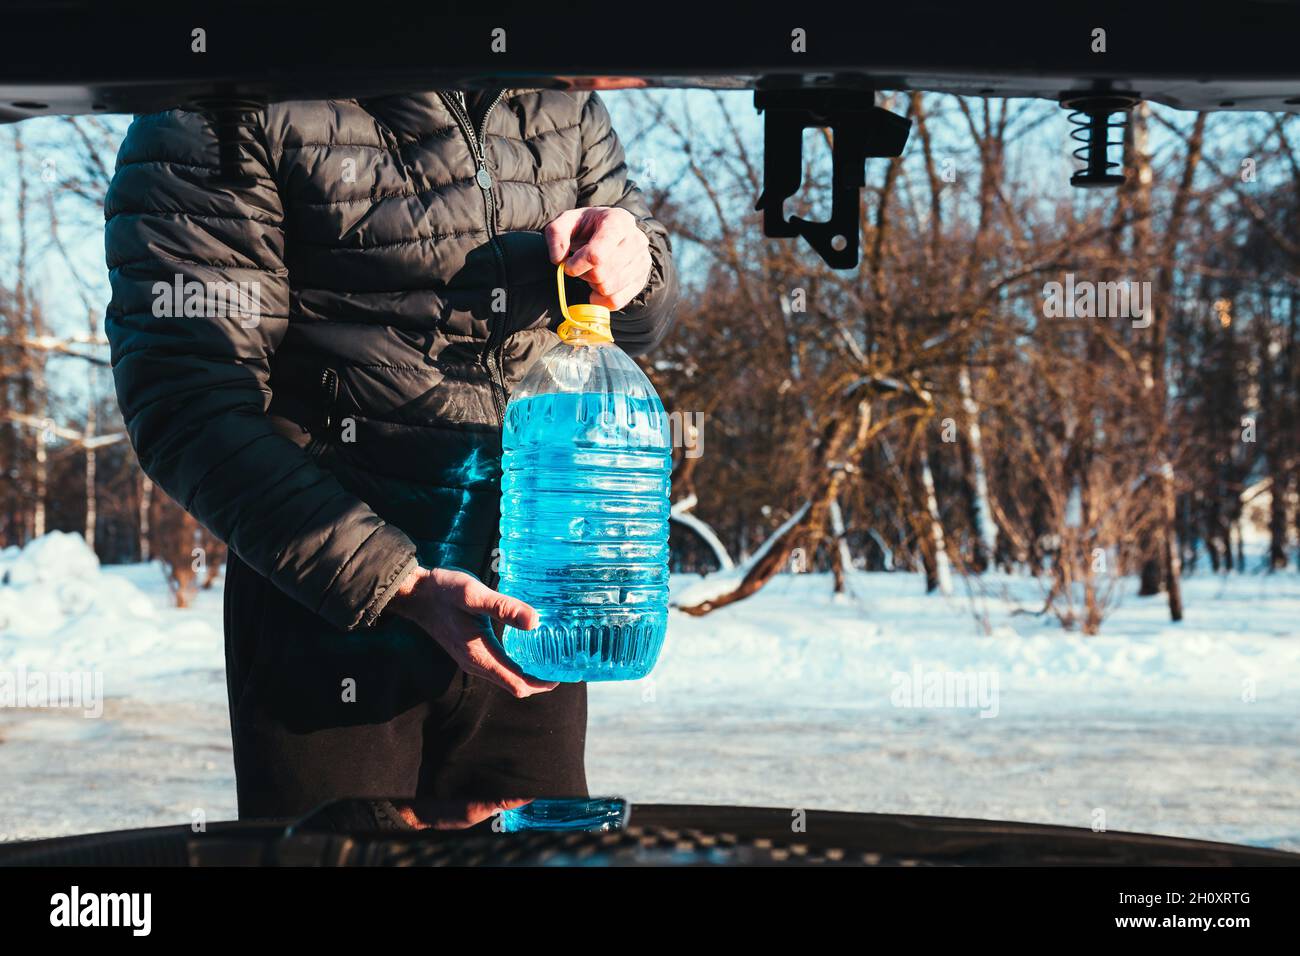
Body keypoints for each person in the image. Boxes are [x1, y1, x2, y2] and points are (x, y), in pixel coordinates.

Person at [103, 88, 678, 821]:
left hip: (532, 613)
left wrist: (637, 259)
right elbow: (188, 400)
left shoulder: (553, 93)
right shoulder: (227, 99)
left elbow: (631, 322)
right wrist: (400, 586)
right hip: (332, 616)